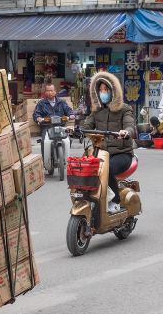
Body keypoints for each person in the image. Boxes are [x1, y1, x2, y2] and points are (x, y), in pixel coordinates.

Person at [79, 71, 136, 214]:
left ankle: (115, 201)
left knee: (106, 169)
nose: (103, 93)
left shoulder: (125, 109)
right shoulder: (96, 111)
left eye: (106, 90)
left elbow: (131, 126)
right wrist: (75, 129)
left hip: (122, 154)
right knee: (84, 167)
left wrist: (126, 132)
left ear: (113, 91)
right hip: (102, 152)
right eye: (100, 90)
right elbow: (86, 126)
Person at [33, 84, 74, 164]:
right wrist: (38, 118)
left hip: (60, 126)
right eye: (47, 91)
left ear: (55, 91)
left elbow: (68, 110)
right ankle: (45, 162)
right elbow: (36, 114)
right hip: (47, 127)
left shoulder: (61, 102)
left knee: (68, 140)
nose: (49, 92)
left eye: (51, 90)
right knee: (44, 141)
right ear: (45, 92)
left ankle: (64, 157)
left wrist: (71, 115)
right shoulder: (41, 103)